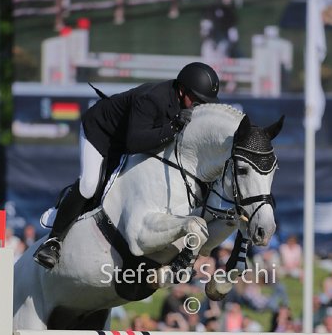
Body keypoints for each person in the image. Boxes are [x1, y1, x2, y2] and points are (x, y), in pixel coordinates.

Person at [34, 62, 220, 269]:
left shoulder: (186, 104)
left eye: (204, 102)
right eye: (197, 100)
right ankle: (53, 241)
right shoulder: (152, 99)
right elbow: (134, 143)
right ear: (182, 90)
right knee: (90, 185)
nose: (199, 106)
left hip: (130, 140)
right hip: (101, 133)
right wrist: (174, 126)